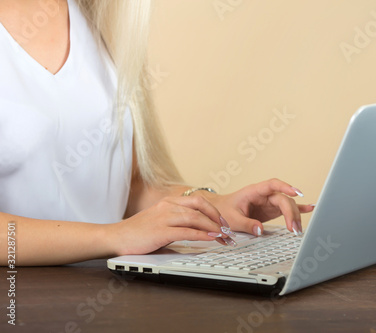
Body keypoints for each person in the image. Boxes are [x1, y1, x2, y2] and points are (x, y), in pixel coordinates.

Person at [0, 0, 314, 266]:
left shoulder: (100, 18)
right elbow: (126, 230)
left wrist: (216, 207)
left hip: (107, 293)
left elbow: (131, 189)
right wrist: (115, 236)